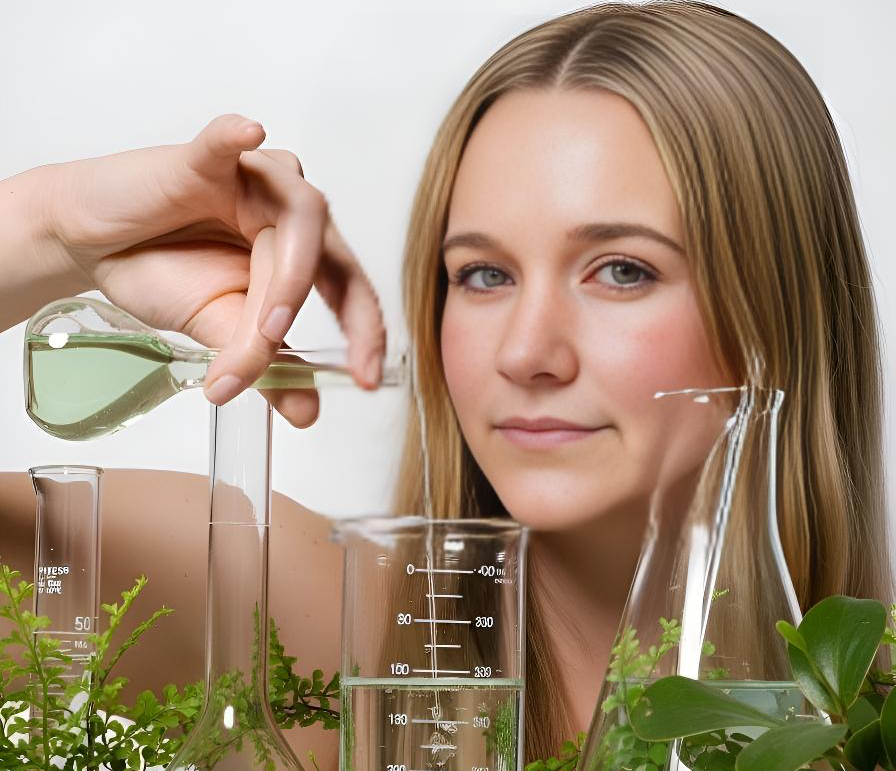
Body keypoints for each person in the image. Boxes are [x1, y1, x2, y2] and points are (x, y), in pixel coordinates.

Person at [0, 1, 892, 767]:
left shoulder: (866, 714)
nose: (526, 352)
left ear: (779, 310)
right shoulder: (312, 619)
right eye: (483, 275)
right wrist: (50, 226)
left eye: (621, 270)